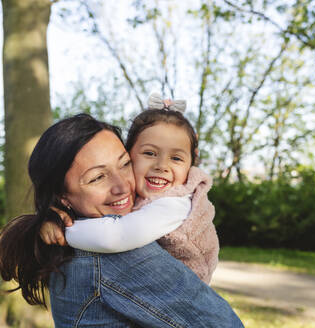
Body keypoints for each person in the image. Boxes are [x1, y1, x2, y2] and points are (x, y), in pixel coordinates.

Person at [0, 113, 243, 327]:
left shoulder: (73, 240)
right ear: (62, 196)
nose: (122, 187)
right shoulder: (113, 254)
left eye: (125, 165)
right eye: (97, 178)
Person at [43, 93, 219, 284]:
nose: (161, 165)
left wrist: (66, 230)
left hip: (184, 294)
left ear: (191, 162)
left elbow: (117, 235)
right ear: (130, 152)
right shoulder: (142, 197)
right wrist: (51, 219)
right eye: (150, 153)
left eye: (176, 158)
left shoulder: (176, 204)